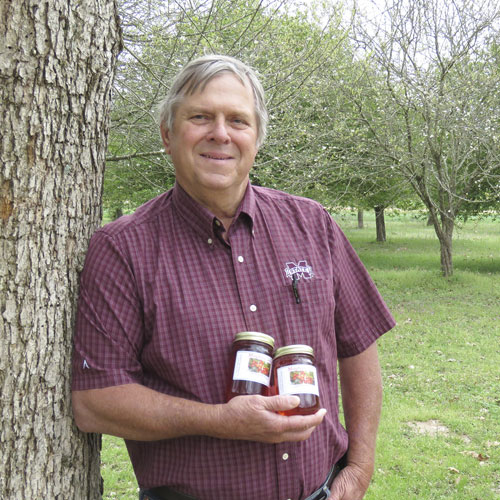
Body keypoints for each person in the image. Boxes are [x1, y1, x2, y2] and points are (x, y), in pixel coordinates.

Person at [71, 54, 395, 500]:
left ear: (256, 137)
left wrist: (358, 467)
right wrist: (220, 421)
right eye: (200, 117)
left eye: (238, 120)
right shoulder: (123, 249)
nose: (220, 133)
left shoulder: (312, 224)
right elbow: (95, 402)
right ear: (167, 134)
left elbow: (358, 344)